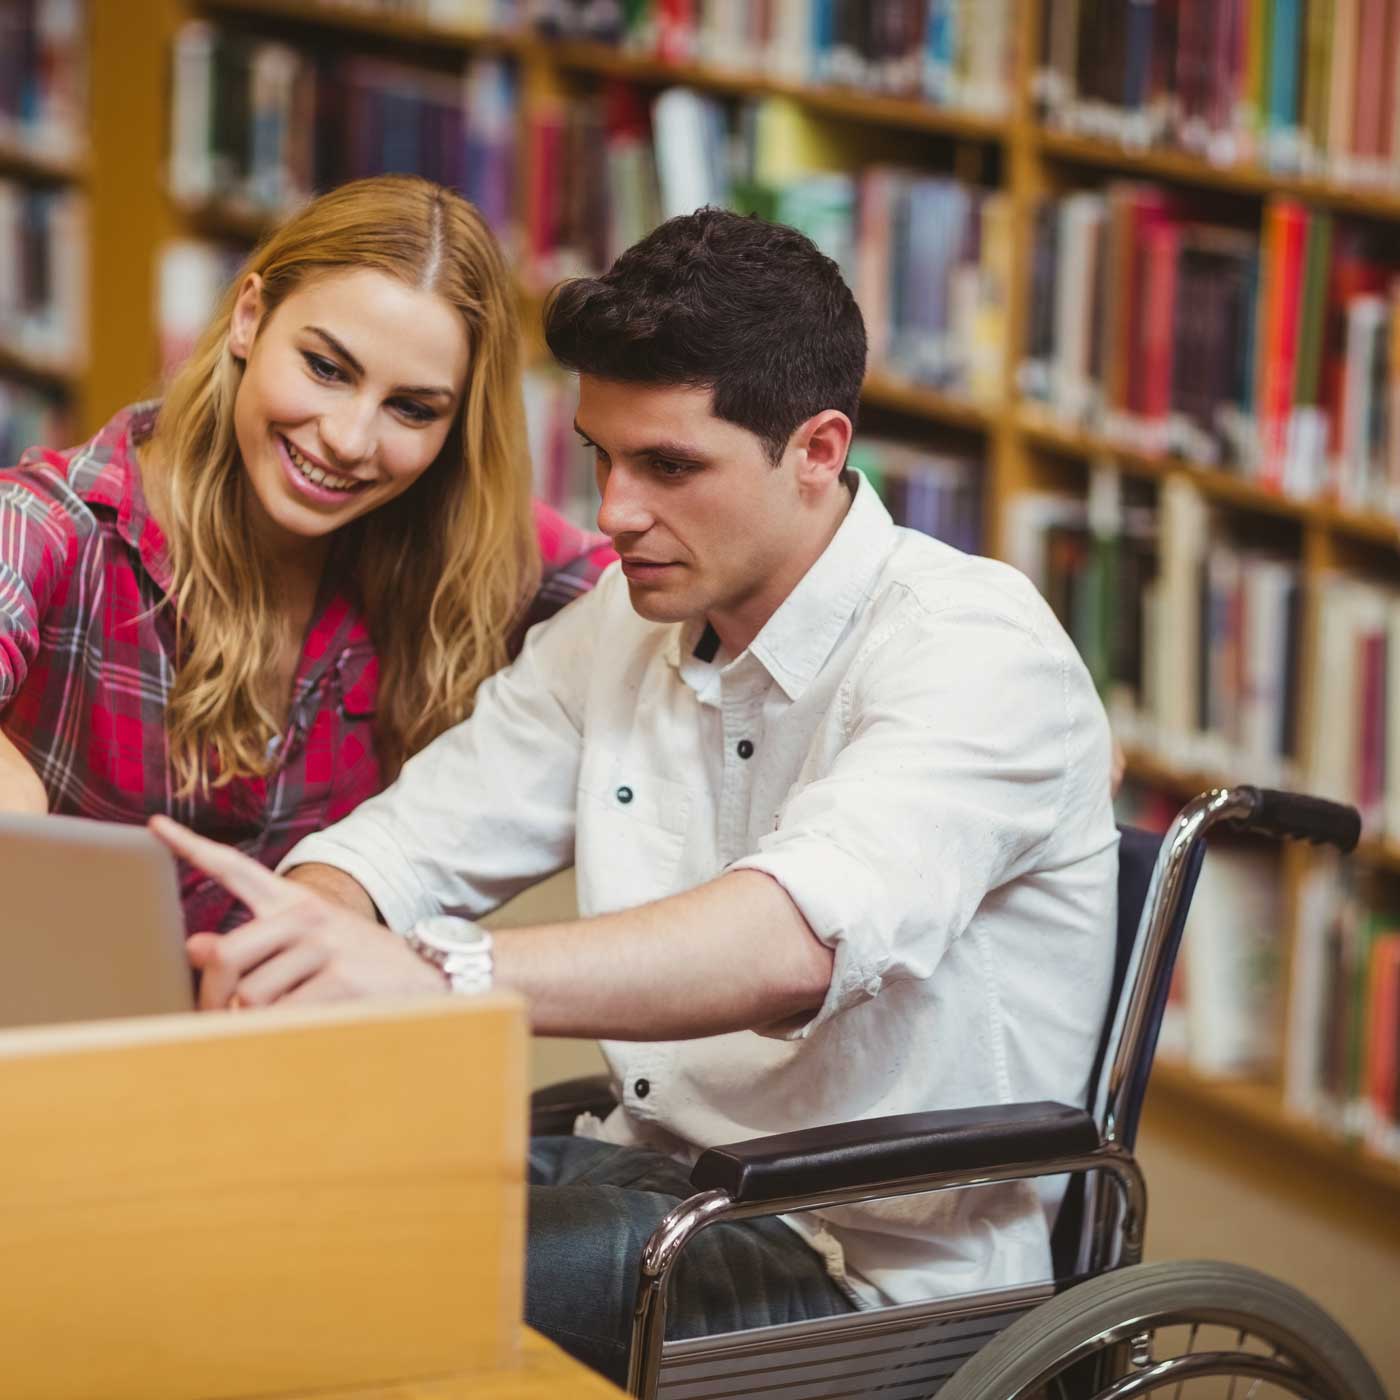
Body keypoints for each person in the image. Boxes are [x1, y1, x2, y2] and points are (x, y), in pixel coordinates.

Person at [153, 208, 1119, 1385]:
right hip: (651, 1184)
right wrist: (306, 928)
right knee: (229, 1222)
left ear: (815, 449)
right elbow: (406, 844)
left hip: (863, 1260)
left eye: (668, 466)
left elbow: (787, 938)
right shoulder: (624, 619)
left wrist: (443, 971)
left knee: (322, 1288)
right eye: (602, 456)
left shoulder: (973, 648)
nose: (612, 512)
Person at [0, 174, 611, 930]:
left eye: (411, 409)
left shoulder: (461, 540)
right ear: (249, 318)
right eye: (326, 368)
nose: (349, 441)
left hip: (318, 1039)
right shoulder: (57, 523)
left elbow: (664, 594)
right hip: (92, 1036)